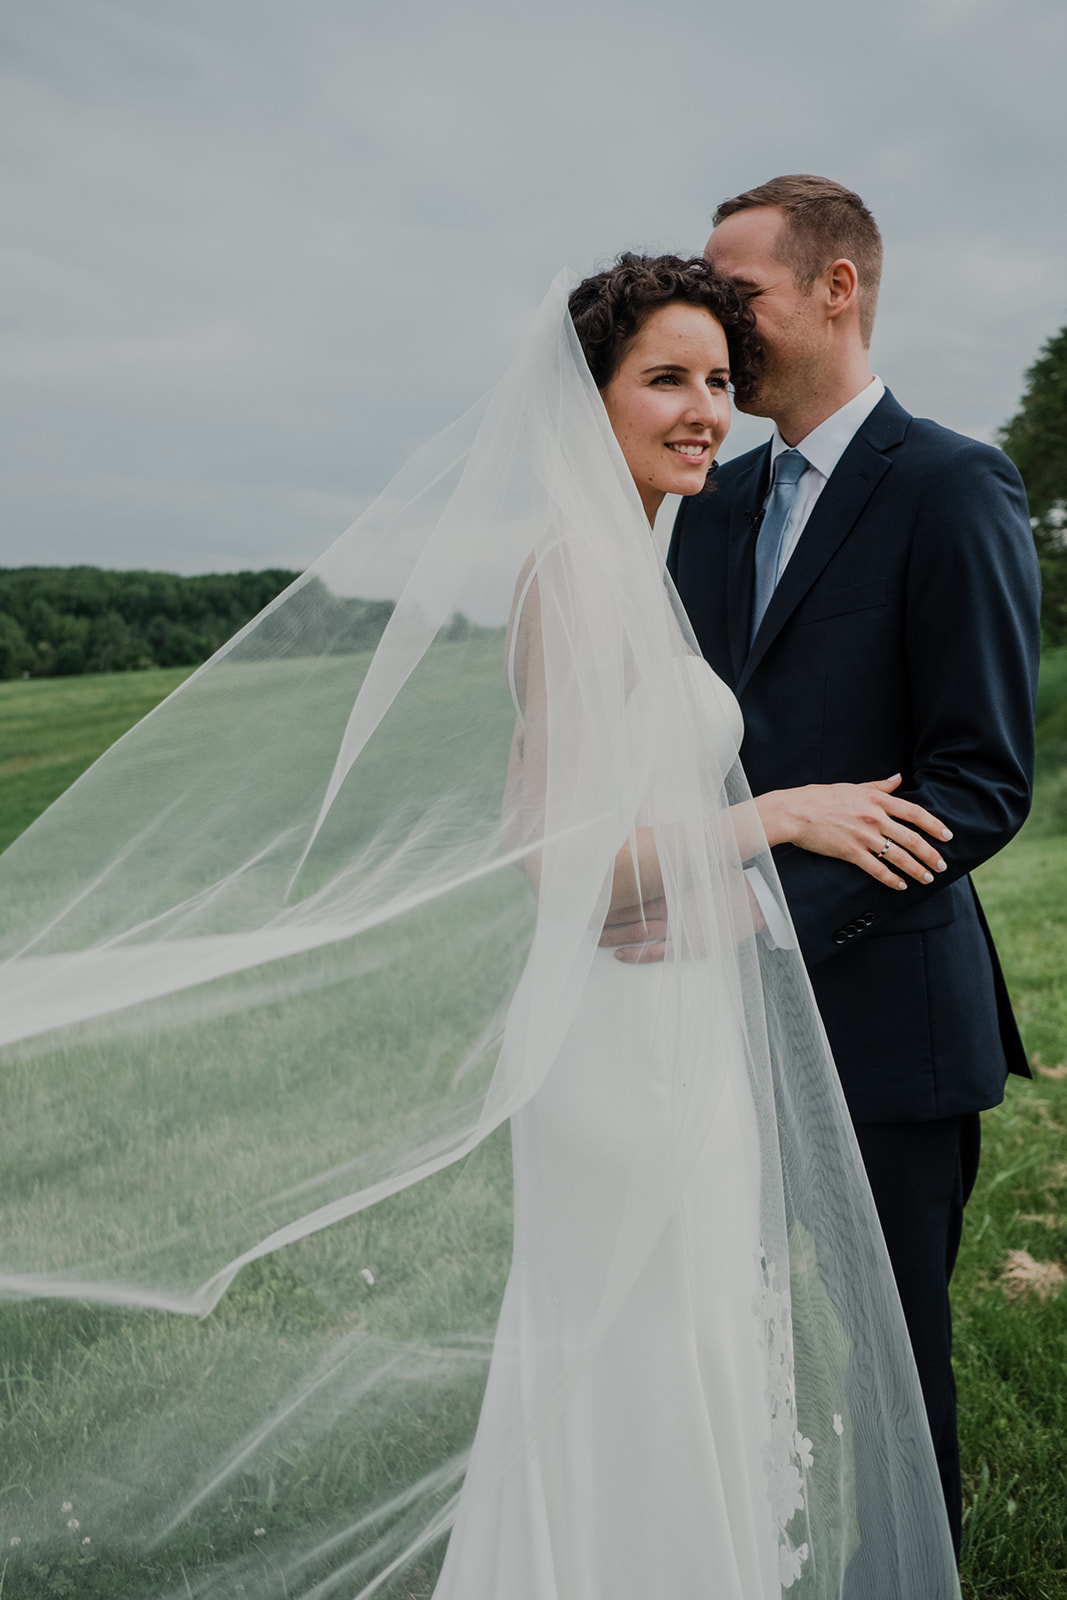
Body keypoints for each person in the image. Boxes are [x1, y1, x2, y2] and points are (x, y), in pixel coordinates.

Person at [0, 255, 961, 1599]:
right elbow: (565, 864)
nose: (703, 408)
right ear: (588, 399)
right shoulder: (573, 571)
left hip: (672, 1022)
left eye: (718, 382)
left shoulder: (636, 561)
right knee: (638, 1352)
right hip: (619, 1039)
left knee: (683, 1343)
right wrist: (778, 816)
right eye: (665, 379)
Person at [656, 176, 1042, 1556]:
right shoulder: (706, 504)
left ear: (838, 291)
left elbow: (980, 780)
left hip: (886, 1024)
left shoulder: (950, 484)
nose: (715, 321)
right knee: (719, 1334)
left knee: (893, 1366)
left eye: (737, 293)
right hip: (702, 1030)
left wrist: (748, 907)